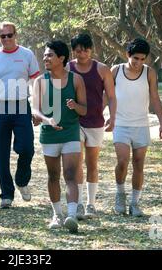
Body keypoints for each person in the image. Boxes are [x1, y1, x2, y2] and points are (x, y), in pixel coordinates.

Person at [0, 21, 40, 209]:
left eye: (10, 35)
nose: (6, 39)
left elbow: (36, 83)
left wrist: (38, 109)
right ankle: (6, 194)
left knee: (27, 148)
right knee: (1, 153)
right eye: (2, 36)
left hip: (22, 106)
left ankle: (22, 180)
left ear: (16, 35)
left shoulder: (27, 54)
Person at [32, 40, 87, 233]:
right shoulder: (41, 81)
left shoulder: (76, 80)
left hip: (71, 133)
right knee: (53, 176)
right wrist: (46, 120)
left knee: (71, 175)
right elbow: (35, 109)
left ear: (61, 58)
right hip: (49, 136)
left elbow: (84, 110)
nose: (45, 58)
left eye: (49, 55)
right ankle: (56, 214)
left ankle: (71, 215)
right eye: (45, 55)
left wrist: (75, 106)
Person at [111, 38, 162, 217]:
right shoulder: (116, 71)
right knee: (122, 161)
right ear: (127, 54)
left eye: (143, 59)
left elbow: (155, 98)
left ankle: (135, 203)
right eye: (135, 58)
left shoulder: (149, 73)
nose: (138, 63)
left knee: (138, 164)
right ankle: (120, 195)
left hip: (141, 125)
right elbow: (108, 97)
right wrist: (101, 116)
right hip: (120, 124)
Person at [68, 33, 116, 219]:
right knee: (78, 162)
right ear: (73, 51)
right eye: (78, 50)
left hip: (95, 122)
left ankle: (91, 204)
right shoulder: (68, 68)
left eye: (86, 50)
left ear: (91, 49)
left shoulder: (102, 69)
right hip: (75, 122)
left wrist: (112, 117)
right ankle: (78, 203)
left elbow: (111, 96)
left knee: (92, 163)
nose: (82, 54)